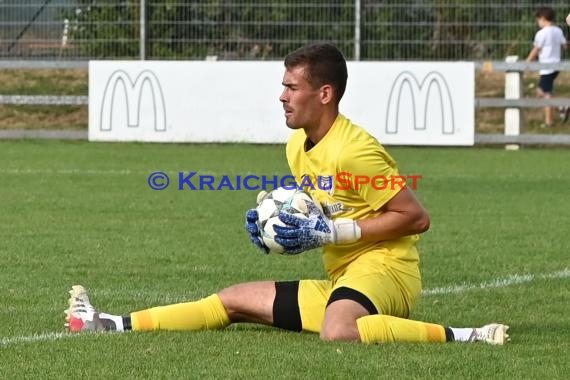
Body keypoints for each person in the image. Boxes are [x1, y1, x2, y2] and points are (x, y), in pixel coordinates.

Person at [65, 43, 509, 345]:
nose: (281, 96)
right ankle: (107, 324)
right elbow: (321, 213)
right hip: (343, 279)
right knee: (231, 300)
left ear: (325, 93)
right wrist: (277, 228)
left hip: (387, 271)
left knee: (338, 330)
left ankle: (469, 334)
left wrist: (331, 233)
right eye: (283, 86)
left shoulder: (356, 150)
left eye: (291, 87)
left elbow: (415, 218)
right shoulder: (297, 145)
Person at [526, 7, 567, 126]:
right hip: (557, 65)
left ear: (543, 19)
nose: (538, 23)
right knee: (542, 92)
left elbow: (536, 49)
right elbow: (564, 46)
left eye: (538, 20)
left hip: (547, 67)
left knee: (545, 93)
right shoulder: (558, 30)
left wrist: (528, 61)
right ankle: (557, 111)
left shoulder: (541, 33)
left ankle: (553, 116)